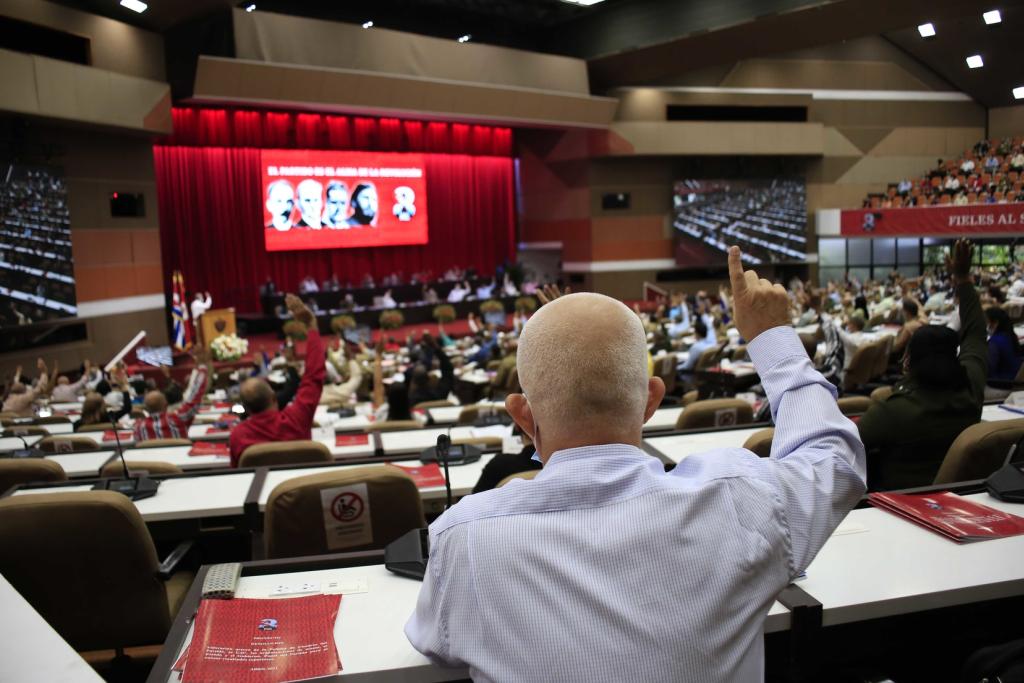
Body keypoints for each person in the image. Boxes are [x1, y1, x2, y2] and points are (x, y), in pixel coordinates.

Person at [405, 247, 866, 680]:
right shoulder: (741, 496)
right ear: (651, 401)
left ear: (523, 417)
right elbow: (836, 460)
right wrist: (772, 338)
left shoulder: (463, 538)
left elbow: (437, 647)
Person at [857, 240, 987, 490]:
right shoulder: (971, 390)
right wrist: (963, 278)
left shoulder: (890, 412)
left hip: (892, 508)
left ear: (907, 363)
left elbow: (840, 453)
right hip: (960, 500)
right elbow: (976, 335)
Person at [229, 295, 325, 467]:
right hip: (301, 491)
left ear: (246, 408)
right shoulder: (296, 419)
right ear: (273, 397)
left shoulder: (237, 436)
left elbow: (236, 477)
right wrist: (312, 326)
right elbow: (314, 377)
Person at [133, 347, 210, 442]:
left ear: (145, 408)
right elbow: (194, 401)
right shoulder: (178, 419)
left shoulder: (138, 427)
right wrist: (202, 367)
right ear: (165, 404)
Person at [985, 306, 1023, 382]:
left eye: (986, 322)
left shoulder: (994, 342)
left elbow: (989, 369)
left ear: (995, 323)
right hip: (1014, 375)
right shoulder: (1009, 335)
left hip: (1002, 381)